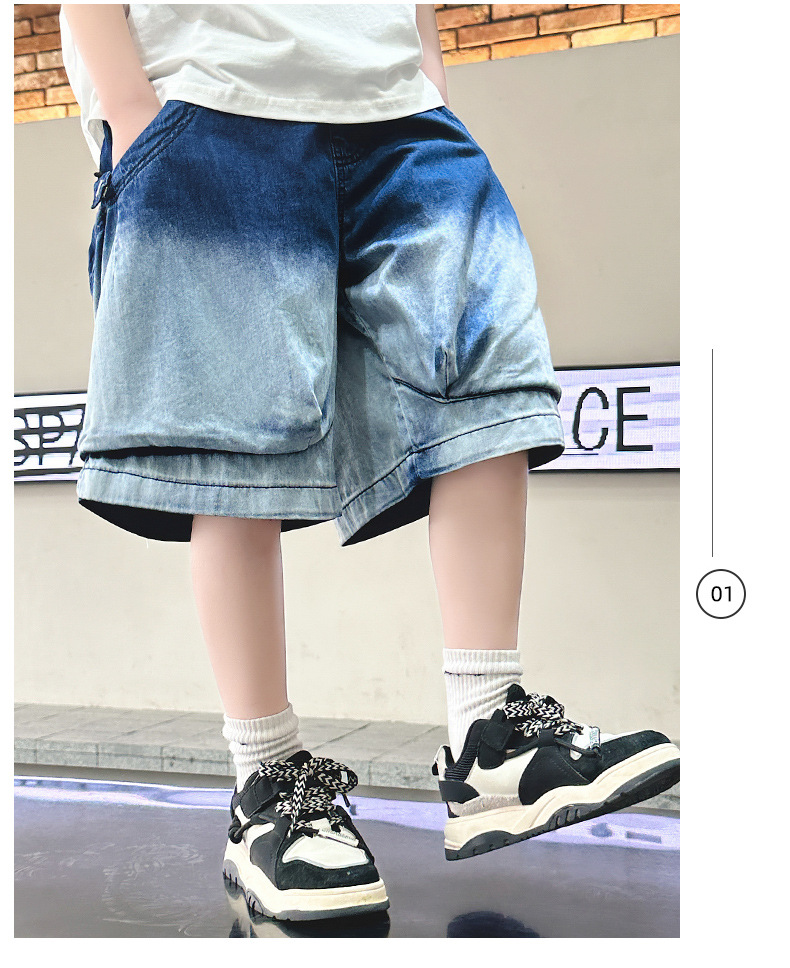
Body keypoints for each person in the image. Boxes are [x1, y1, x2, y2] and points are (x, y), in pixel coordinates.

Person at [59, 3, 680, 923]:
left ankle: (492, 734)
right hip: (209, 95)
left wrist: (426, 74)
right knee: (231, 446)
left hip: (399, 107)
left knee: (488, 379)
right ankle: (268, 786)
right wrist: (130, 109)